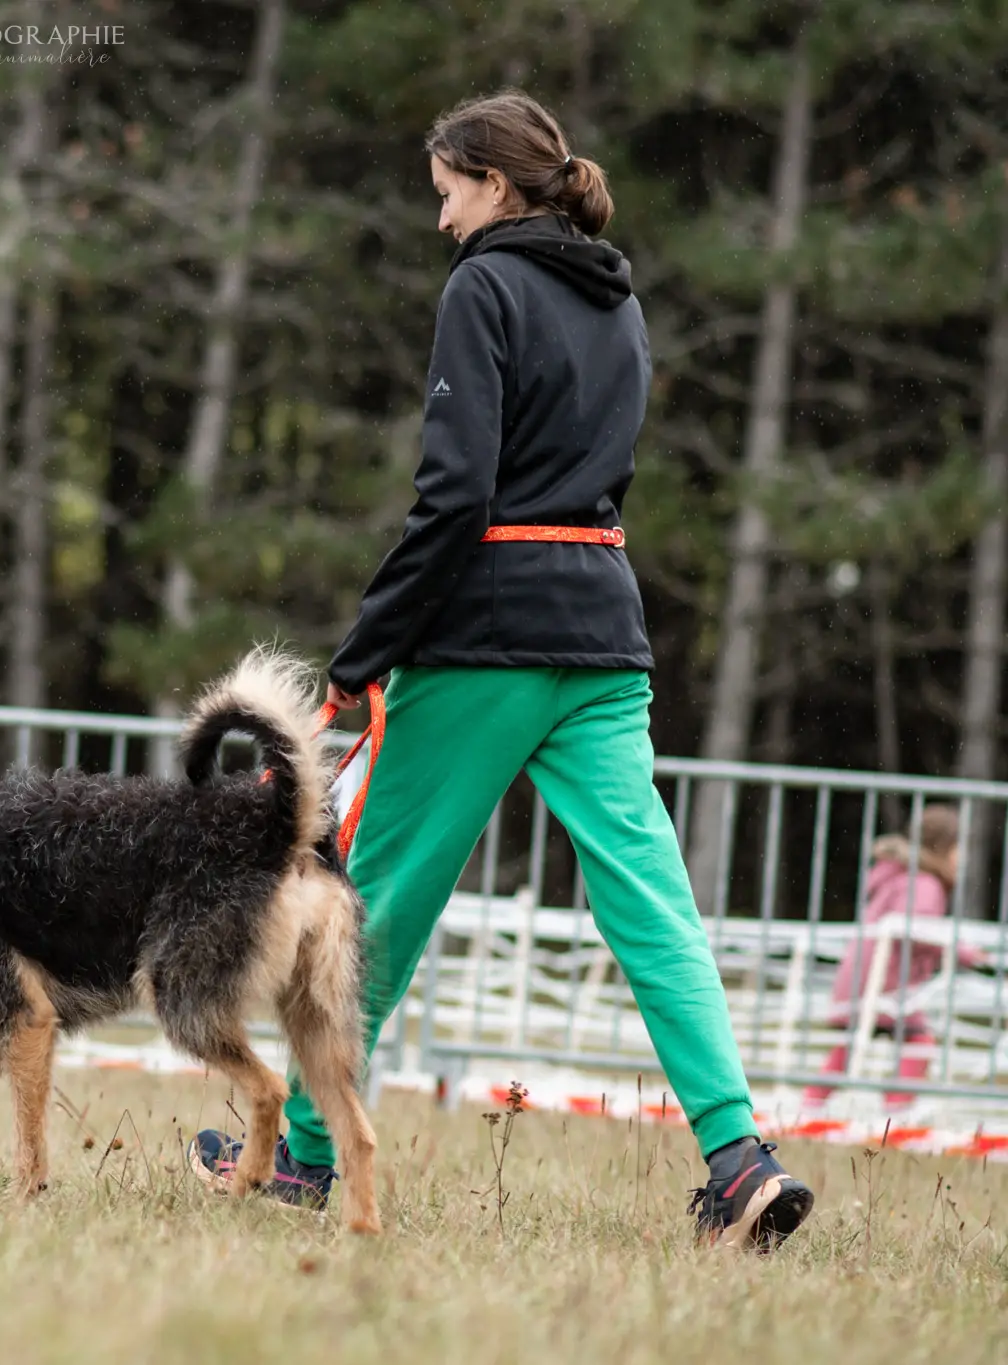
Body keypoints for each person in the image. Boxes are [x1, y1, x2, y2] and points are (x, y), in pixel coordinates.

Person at [190, 90, 815, 1251]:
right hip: (604, 635)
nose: (439, 223)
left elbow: (454, 497)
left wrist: (361, 655)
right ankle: (737, 1161)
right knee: (653, 907)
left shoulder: (482, 286)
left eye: (443, 195)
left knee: (371, 907)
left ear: (490, 184)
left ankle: (309, 1162)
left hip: (485, 637)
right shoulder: (616, 302)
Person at [804, 806, 989, 1109]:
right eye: (959, 849)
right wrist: (964, 953)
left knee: (852, 1045)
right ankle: (896, 1110)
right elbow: (919, 932)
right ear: (944, 847)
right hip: (889, 983)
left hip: (863, 975)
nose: (962, 858)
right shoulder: (925, 884)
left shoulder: (898, 875)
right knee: (919, 1044)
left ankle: (810, 1102)